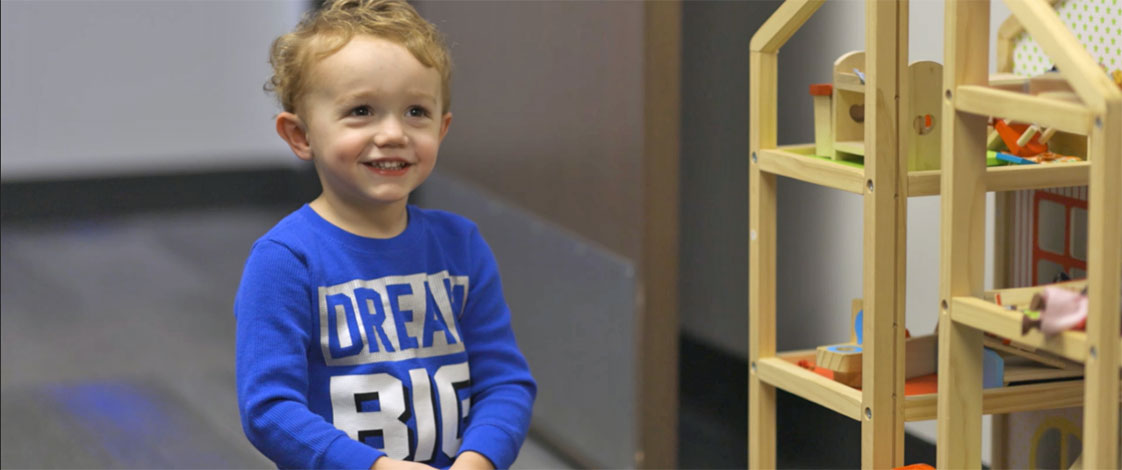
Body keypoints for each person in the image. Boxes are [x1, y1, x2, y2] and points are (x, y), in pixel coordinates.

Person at [234, 1, 536, 469]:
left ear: (442, 127)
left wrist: (479, 460)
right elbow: (270, 410)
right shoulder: (286, 260)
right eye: (362, 110)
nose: (394, 133)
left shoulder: (461, 245)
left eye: (416, 111)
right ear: (301, 136)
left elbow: (504, 382)